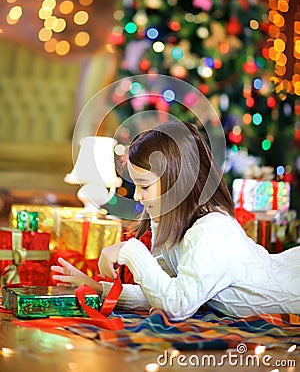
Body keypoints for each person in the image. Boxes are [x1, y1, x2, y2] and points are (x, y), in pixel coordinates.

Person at [51, 120, 300, 321]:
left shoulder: (212, 232)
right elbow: (161, 293)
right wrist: (98, 288)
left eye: (144, 186)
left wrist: (131, 250)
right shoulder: (177, 225)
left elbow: (177, 305)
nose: (137, 196)